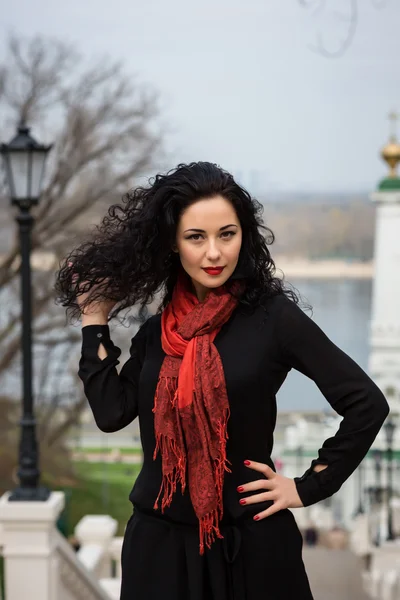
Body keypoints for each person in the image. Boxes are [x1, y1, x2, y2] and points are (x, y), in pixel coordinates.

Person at [55, 162, 389, 600]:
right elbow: (112, 413)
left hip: (251, 547)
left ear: (243, 237)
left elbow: (366, 403)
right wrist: (94, 321)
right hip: (161, 551)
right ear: (173, 245)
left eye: (226, 235)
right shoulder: (158, 331)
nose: (214, 253)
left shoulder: (273, 319)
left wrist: (307, 486)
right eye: (197, 237)